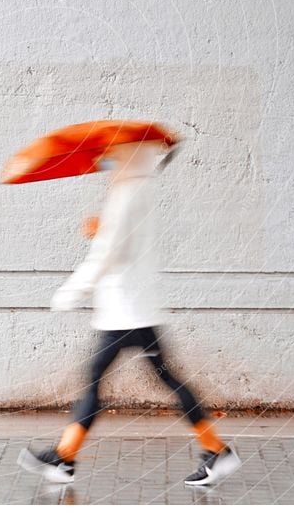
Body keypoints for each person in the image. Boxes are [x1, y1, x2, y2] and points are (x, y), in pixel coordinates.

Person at [17, 138, 240, 487]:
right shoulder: (138, 190)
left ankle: (64, 459)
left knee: (94, 381)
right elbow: (125, 245)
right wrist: (102, 229)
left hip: (122, 313)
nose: (104, 162)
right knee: (165, 378)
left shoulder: (125, 196)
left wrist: (71, 291)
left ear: (123, 157)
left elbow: (109, 255)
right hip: (140, 309)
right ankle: (216, 450)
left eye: (109, 156)